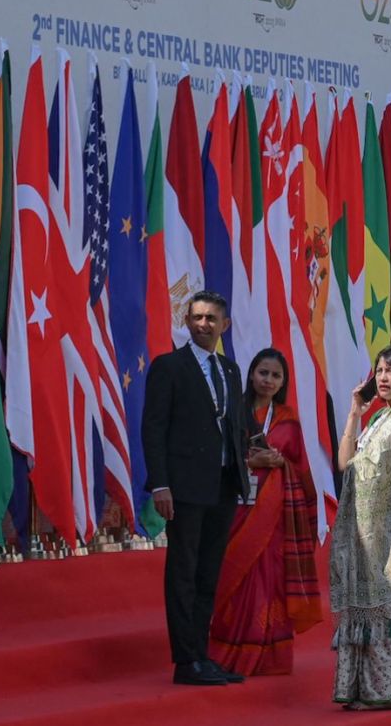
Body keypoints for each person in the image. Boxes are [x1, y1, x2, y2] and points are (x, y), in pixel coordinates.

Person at [143, 291, 249, 686]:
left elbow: (234, 426)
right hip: (184, 487)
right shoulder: (169, 367)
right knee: (183, 571)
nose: (204, 324)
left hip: (223, 483)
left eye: (211, 318)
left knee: (209, 572)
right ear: (186, 322)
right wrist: (160, 484)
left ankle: (202, 656)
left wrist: (247, 467)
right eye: (197, 317)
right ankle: (185, 661)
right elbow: (153, 429)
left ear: (226, 325)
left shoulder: (231, 370)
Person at [207, 348, 323, 676]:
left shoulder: (288, 419)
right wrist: (250, 461)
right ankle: (226, 652)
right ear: (251, 374)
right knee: (235, 577)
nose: (268, 380)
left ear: (283, 381)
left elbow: (300, 469)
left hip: (274, 519)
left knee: (268, 581)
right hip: (235, 509)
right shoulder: (234, 412)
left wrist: (281, 462)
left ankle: (267, 656)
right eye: (263, 373)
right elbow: (218, 457)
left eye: (275, 375)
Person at [331, 345, 391, 710]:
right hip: (361, 528)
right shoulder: (376, 420)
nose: (383, 377)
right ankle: (365, 689)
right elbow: (345, 465)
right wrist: (356, 411)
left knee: (388, 607)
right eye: (379, 370)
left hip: (387, 529)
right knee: (364, 606)